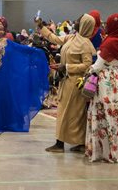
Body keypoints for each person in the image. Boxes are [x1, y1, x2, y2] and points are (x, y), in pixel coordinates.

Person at [39, 14, 96, 152]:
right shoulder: (71, 37)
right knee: (67, 112)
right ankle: (73, 143)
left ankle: (62, 144)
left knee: (73, 114)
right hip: (66, 81)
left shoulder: (86, 44)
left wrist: (67, 67)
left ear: (84, 25)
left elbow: (88, 65)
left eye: (78, 20)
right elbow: (55, 39)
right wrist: (42, 27)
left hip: (76, 83)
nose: (75, 22)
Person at [86, 13, 118, 163]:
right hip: (115, 80)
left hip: (104, 80)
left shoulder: (110, 42)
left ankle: (102, 152)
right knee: (114, 114)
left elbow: (98, 66)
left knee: (101, 113)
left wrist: (89, 71)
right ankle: (114, 150)